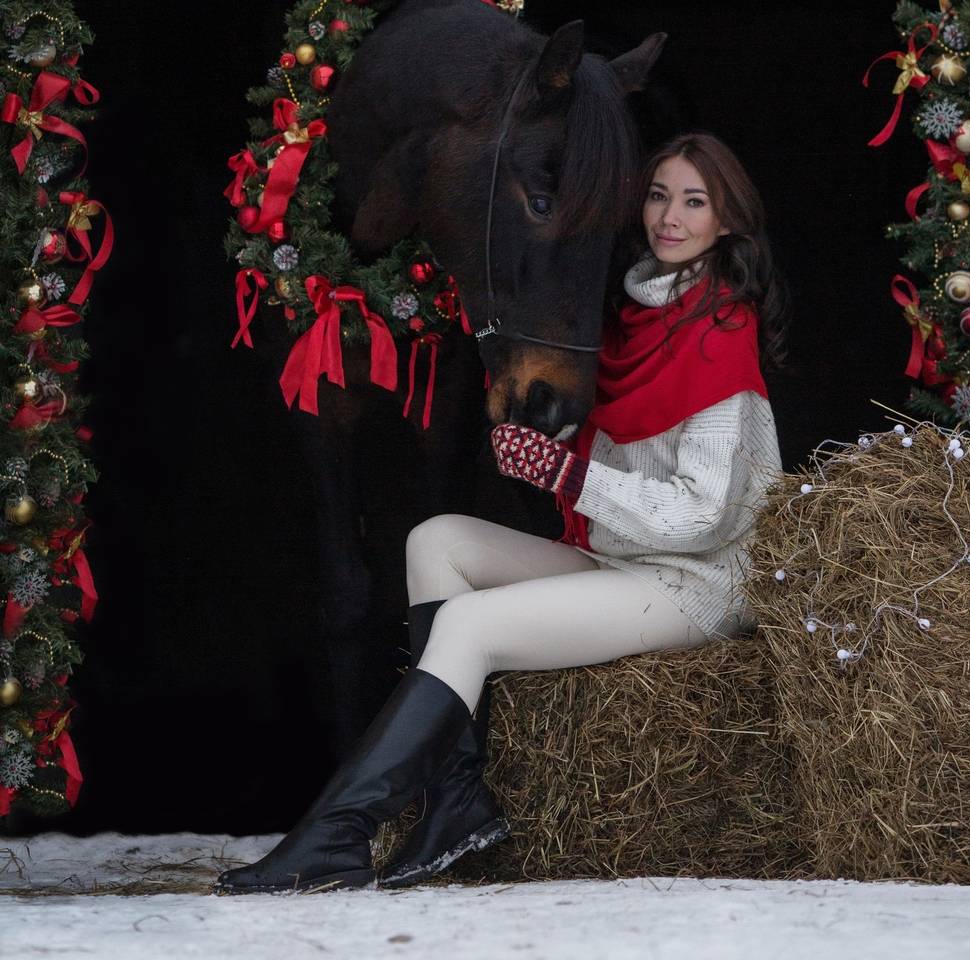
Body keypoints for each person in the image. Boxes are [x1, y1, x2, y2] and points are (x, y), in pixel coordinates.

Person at [215, 131, 788, 896]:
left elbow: (701, 518)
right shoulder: (629, 317)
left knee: (470, 626)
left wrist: (568, 476)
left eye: (694, 201)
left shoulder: (722, 331)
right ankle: (455, 800)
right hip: (622, 555)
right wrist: (542, 452)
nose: (669, 217)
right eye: (658, 196)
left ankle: (338, 834)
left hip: (699, 581)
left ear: (728, 220)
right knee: (436, 541)